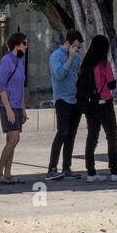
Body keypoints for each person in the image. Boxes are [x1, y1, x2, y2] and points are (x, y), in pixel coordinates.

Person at [77, 34, 117, 183]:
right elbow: (112, 84)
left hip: (90, 105)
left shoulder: (85, 64)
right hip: (104, 104)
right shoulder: (104, 64)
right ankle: (114, 171)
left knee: (92, 137)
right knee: (112, 136)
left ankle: (91, 173)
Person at [46, 29, 84, 180]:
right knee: (62, 132)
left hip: (76, 99)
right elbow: (59, 75)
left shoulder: (78, 57)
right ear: (67, 43)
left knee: (71, 134)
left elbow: (80, 73)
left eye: (78, 47)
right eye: (74, 46)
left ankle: (67, 167)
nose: (77, 49)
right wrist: (70, 57)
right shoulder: (56, 56)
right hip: (62, 99)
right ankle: (52, 168)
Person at [0, 32, 28, 184]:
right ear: (17, 45)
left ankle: (7, 174)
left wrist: (23, 108)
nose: (26, 46)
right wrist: (8, 109)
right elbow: (1, 86)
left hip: (18, 106)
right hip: (8, 106)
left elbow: (20, 87)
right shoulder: (6, 61)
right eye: (24, 43)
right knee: (14, 138)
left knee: (11, 140)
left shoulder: (19, 61)